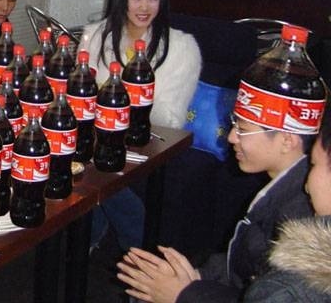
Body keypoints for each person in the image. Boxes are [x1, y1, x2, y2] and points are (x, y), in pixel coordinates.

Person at [116, 85, 316, 302]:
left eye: (243, 129)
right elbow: (237, 265)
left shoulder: (299, 215)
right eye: (234, 126)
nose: (231, 137)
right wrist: (193, 277)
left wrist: (183, 293)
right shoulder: (284, 189)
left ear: (287, 141)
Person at [79, 0, 201, 251]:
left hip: (151, 144)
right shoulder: (95, 36)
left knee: (98, 174)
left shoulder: (181, 47)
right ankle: (97, 240)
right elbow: (82, 97)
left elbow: (171, 120)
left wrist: (124, 96)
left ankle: (130, 247)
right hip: (99, 139)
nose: (144, 7)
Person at [243, 108, 331, 302]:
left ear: (287, 140)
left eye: (314, 165)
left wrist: (188, 294)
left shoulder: (288, 290)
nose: (306, 185)